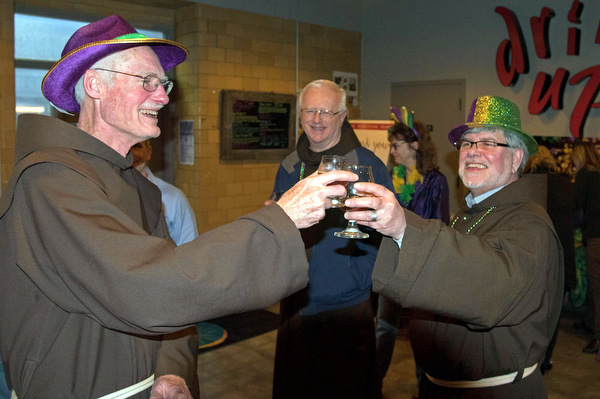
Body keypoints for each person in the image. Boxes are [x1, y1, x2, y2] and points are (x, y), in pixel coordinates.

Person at [0, 15, 357, 398]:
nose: (164, 96)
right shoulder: (50, 182)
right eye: (147, 82)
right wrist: (280, 219)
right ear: (94, 84)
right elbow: (150, 287)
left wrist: (171, 371)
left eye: (163, 83)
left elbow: (175, 306)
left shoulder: (134, 185)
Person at [344, 96, 564, 398]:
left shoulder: (529, 223)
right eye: (467, 143)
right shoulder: (472, 212)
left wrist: (403, 227)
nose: (472, 151)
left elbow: (489, 284)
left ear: (516, 158)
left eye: (488, 142)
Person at [268, 79, 394, 399]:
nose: (317, 119)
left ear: (343, 115)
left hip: (345, 309)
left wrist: (357, 283)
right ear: (299, 114)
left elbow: (387, 235)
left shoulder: (367, 166)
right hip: (296, 304)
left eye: (326, 111)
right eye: (309, 110)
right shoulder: (289, 166)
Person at [375, 114, 449, 395]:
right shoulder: (389, 178)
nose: (392, 151)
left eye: (396, 145)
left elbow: (439, 225)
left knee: (423, 333)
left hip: (422, 267)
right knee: (384, 327)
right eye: (391, 146)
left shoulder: (435, 181)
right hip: (391, 262)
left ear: (415, 146)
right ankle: (374, 385)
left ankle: (426, 390)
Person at [524, 145, 576, 372]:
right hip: (562, 252)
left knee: (532, 311)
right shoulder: (565, 184)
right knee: (553, 313)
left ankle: (531, 359)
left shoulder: (527, 183)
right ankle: (546, 360)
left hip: (535, 254)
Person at [130, 140, 199, 245]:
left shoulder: (174, 199)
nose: (131, 153)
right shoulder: (109, 194)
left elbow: (190, 249)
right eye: (127, 148)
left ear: (148, 152)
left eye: (136, 146)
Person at [570, 141, 600, 354]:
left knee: (597, 289)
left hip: (595, 238)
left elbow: (576, 205)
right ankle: (590, 322)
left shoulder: (584, 176)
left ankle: (598, 337)